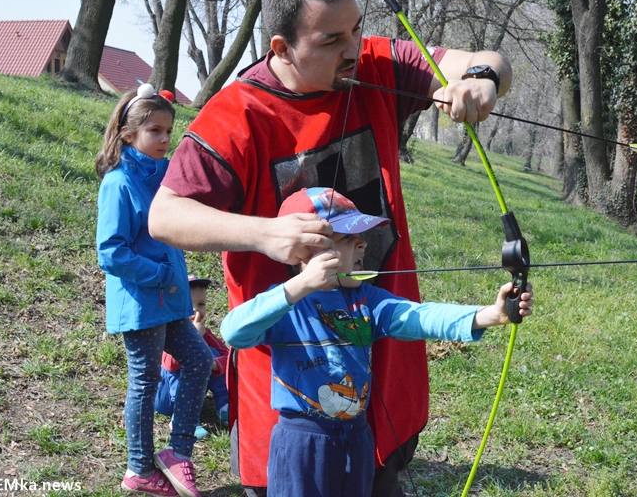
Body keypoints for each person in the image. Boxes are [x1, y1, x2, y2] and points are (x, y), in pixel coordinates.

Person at [147, 0, 512, 494]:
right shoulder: (238, 114)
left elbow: (487, 60)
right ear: (282, 48)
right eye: (330, 41)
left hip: (378, 364)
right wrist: (266, 233)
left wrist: (480, 79)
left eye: (356, 29)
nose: (352, 50)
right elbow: (165, 215)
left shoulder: (375, 63)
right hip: (289, 400)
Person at [219, 187, 534, 497]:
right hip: (303, 442)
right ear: (306, 250)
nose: (362, 244)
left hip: (356, 437)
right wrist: (299, 286)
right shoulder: (285, 304)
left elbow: (418, 316)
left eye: (360, 236)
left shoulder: (366, 301)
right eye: (347, 238)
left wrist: (489, 315)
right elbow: (235, 332)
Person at [96, 83, 212, 497]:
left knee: (200, 358)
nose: (165, 139)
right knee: (144, 382)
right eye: (155, 131)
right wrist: (161, 275)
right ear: (129, 134)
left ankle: (177, 453)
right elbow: (111, 252)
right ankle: (139, 469)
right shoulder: (119, 183)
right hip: (142, 302)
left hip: (169, 302)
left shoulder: (165, 177)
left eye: (168, 130)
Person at [155, 275, 230, 440]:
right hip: (165, 398)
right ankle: (182, 418)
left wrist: (213, 364)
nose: (196, 310)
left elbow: (228, 356)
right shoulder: (167, 333)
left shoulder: (206, 333)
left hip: (191, 393)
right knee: (185, 357)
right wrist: (194, 338)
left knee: (211, 353)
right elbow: (169, 365)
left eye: (201, 304)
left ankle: (224, 406)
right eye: (189, 305)